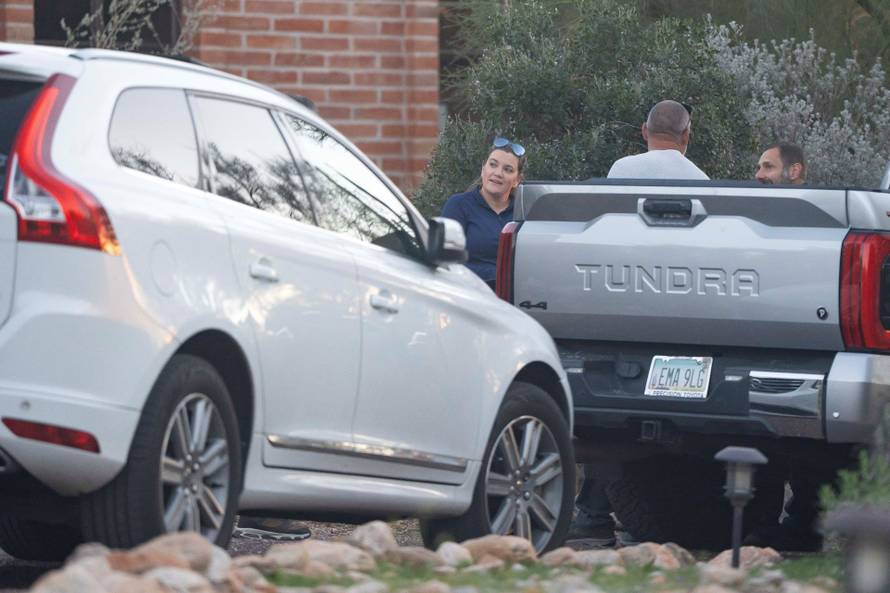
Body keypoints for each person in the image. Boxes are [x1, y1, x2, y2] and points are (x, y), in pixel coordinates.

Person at [569, 100, 709, 548]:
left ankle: (592, 514)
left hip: (624, 304)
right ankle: (641, 520)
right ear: (686, 137)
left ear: (644, 131)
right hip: (684, 316)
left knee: (611, 419)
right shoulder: (702, 180)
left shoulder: (621, 167)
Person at [441, 137, 525, 290]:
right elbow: (445, 261)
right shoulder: (459, 205)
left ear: (517, 180)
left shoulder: (523, 213)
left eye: (508, 169)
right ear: (483, 169)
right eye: (493, 165)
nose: (498, 173)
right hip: (469, 294)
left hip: (513, 301)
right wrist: (495, 275)